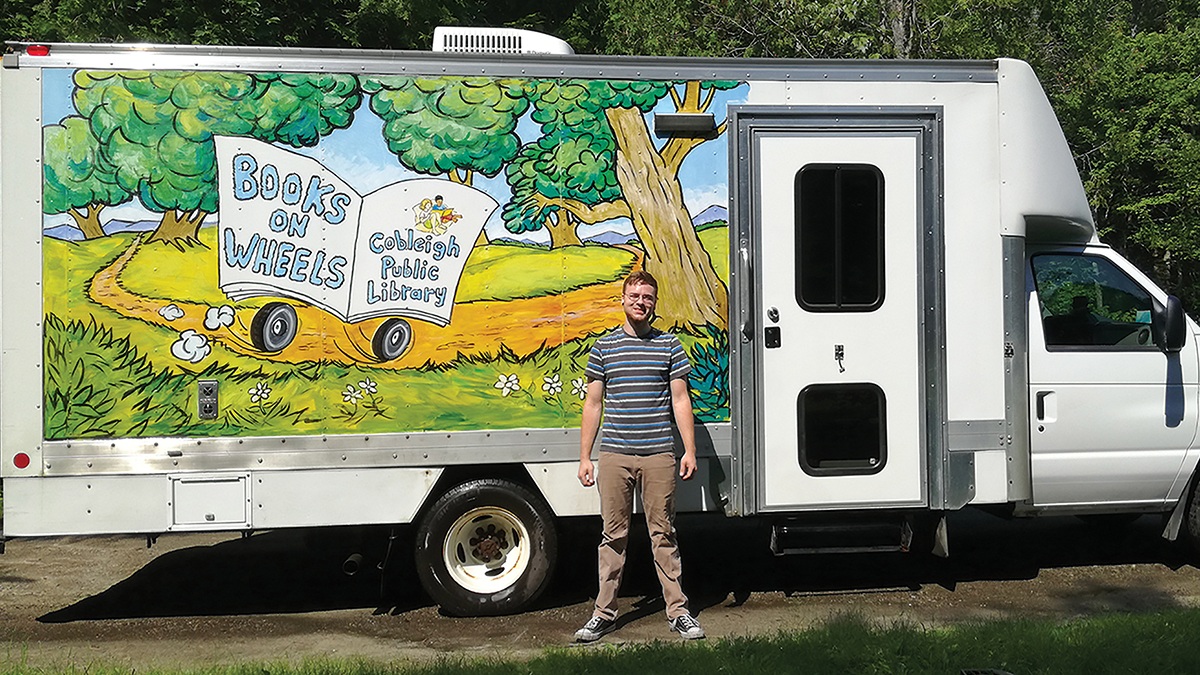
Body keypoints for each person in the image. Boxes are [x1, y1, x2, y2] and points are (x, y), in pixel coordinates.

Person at [573, 270, 705, 642]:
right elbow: (593, 403)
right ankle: (604, 614)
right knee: (612, 537)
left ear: (655, 303)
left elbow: (681, 400)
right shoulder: (604, 348)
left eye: (647, 297)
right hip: (614, 455)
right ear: (623, 300)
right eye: (634, 296)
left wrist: (689, 450)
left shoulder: (670, 347)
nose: (640, 302)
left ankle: (678, 612)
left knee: (663, 534)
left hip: (659, 455)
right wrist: (585, 456)